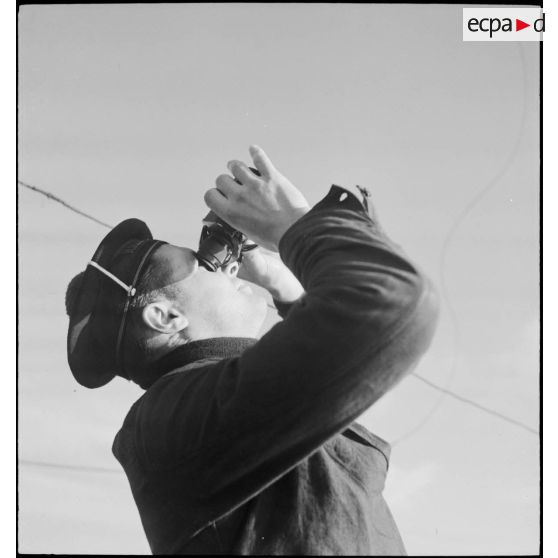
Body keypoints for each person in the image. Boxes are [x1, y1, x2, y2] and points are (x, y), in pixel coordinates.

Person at [65, 145, 439, 555]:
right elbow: (392, 302)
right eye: (203, 261)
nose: (228, 265)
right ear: (165, 317)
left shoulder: (199, 408)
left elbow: (329, 367)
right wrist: (296, 226)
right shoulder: (174, 419)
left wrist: (288, 288)